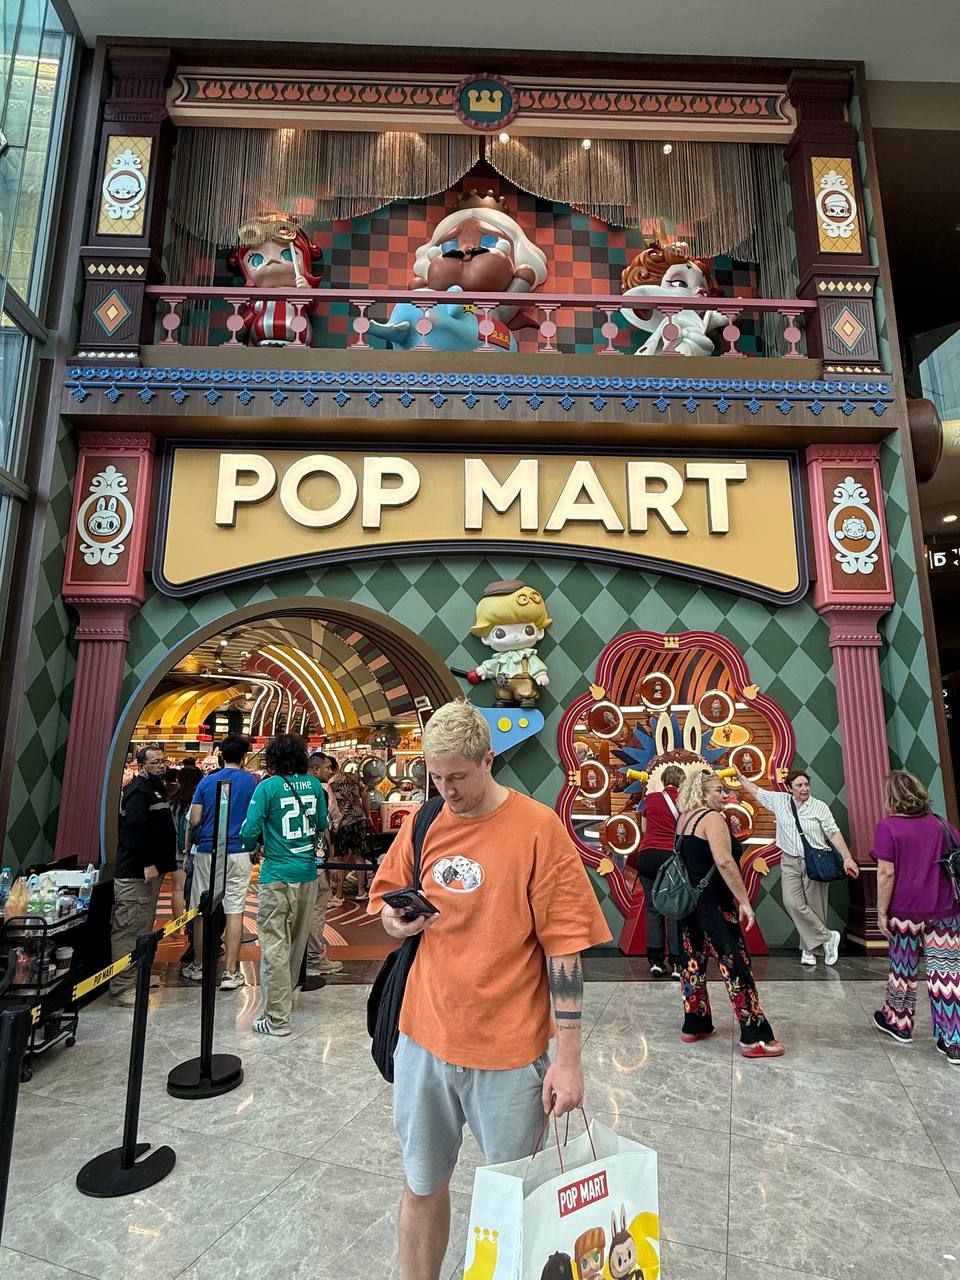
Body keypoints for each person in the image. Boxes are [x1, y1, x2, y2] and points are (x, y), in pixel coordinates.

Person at [368, 700, 611, 1280]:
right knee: (421, 1185)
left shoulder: (538, 829)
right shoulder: (424, 821)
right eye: (435, 777)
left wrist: (569, 1060)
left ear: (487, 760)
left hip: (508, 1054)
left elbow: (565, 951)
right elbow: (385, 901)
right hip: (423, 1041)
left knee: (516, 1199)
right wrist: (395, 921)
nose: (446, 790)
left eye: (457, 776)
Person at [675, 769, 784, 1058]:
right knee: (736, 964)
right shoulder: (712, 818)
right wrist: (744, 901)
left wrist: (733, 835)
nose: (724, 795)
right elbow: (723, 861)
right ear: (703, 793)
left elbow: (699, 857)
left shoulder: (685, 818)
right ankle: (755, 1037)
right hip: (715, 904)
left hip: (690, 905)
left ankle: (695, 1024)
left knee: (692, 965)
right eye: (718, 790)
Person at [240, 734, 328, 1036]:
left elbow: (249, 831)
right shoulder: (314, 785)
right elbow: (322, 824)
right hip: (307, 873)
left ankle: (276, 1017)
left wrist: (253, 845)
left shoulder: (267, 787)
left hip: (277, 874)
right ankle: (284, 1000)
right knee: (297, 943)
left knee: (275, 945)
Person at [871, 770, 960, 1062]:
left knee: (903, 968)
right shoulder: (941, 824)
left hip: (905, 910)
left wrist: (881, 912)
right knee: (946, 973)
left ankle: (899, 1022)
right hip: (944, 909)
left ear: (890, 797)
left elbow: (886, 873)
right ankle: (953, 1040)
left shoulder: (888, 827)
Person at [736, 767, 858, 967]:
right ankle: (828, 937)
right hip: (789, 860)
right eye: (799, 785)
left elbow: (833, 832)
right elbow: (757, 791)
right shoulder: (780, 801)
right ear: (790, 788)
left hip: (816, 860)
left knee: (815, 906)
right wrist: (740, 777)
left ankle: (809, 950)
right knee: (792, 902)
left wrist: (847, 858)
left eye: (806, 784)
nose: (804, 789)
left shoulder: (819, 807)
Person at [181, 735, 258, 990]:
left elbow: (194, 819)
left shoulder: (207, 781)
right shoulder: (252, 781)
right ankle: (231, 972)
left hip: (207, 850)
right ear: (244, 757)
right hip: (239, 851)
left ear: (221, 755)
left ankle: (198, 965)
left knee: (202, 909)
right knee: (235, 910)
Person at [109, 745, 177, 1007]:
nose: (161, 766)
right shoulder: (138, 792)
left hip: (149, 875)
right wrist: (148, 862)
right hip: (136, 874)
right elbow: (136, 831)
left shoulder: (154, 788)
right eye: (155, 762)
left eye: (163, 761)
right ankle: (122, 986)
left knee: (142, 927)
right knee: (128, 929)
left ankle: (137, 976)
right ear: (141, 766)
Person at [634, 764, 685, 978]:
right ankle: (677, 962)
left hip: (647, 857)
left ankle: (655, 961)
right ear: (681, 782)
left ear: (663, 781)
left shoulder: (650, 799)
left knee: (652, 908)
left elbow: (645, 829)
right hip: (670, 858)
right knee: (673, 910)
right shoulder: (684, 801)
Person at [304, 753, 344, 987]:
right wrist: (330, 857)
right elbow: (324, 827)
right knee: (317, 909)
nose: (331, 771)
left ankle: (301, 957)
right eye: (328, 767)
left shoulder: (285, 786)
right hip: (315, 858)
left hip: (292, 861)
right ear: (316, 769)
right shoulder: (320, 791)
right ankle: (315, 958)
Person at [329, 760, 374, 902]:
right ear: (338, 766)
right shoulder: (354, 777)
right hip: (358, 819)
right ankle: (361, 891)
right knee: (358, 856)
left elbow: (330, 806)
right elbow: (364, 796)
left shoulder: (329, 783)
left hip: (341, 823)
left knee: (340, 859)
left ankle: (339, 895)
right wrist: (368, 815)